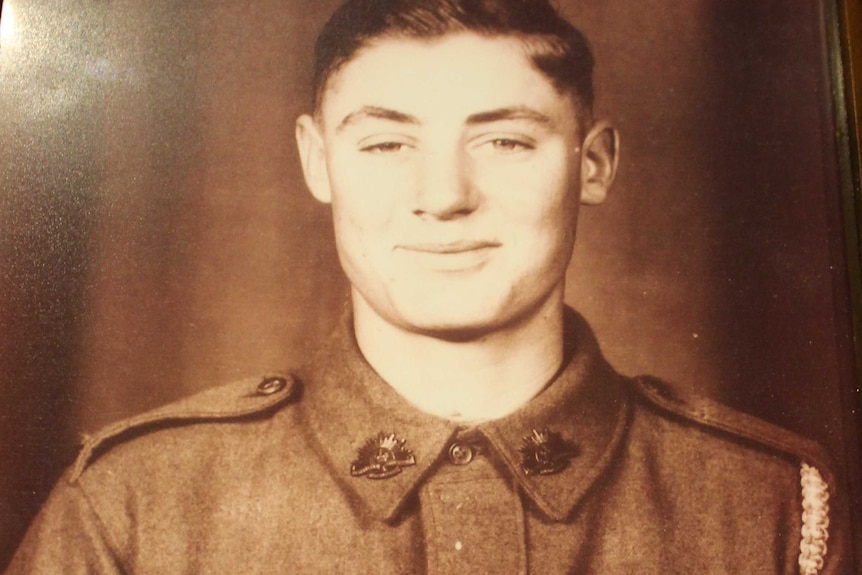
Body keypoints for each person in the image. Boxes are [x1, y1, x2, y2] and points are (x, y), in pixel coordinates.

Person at [6, 0, 850, 573]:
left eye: (507, 142)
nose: (444, 196)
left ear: (592, 164)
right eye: (384, 145)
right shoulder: (137, 502)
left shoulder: (768, 506)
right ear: (316, 160)